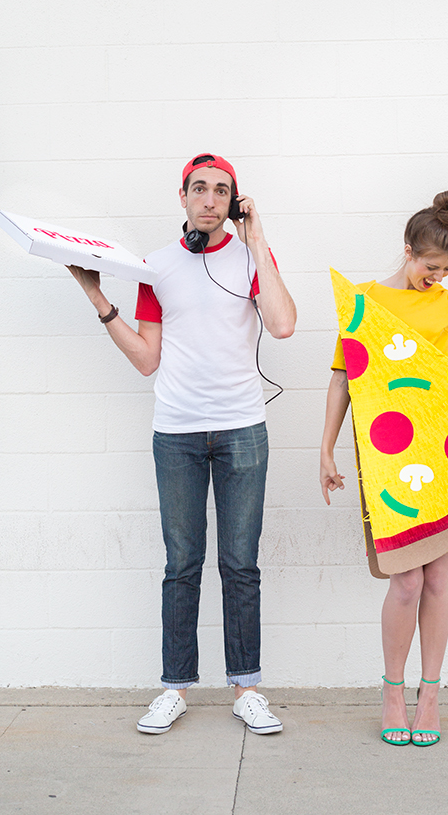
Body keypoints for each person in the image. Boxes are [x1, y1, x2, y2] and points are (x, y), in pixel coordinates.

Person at [68, 153, 296, 735]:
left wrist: (258, 236)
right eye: (201, 189)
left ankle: (247, 687)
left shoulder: (250, 259)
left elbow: (285, 323)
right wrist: (100, 300)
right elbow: (148, 358)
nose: (211, 199)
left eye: (223, 191)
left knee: (240, 564)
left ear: (233, 201)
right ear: (184, 196)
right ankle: (175, 687)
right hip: (177, 433)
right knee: (182, 564)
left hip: (243, 427)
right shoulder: (157, 267)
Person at [319, 149, 448, 747]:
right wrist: (325, 451)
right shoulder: (364, 305)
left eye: (447, 269)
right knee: (403, 582)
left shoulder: (447, 304)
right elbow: (341, 380)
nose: (439, 278)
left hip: (447, 454)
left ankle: (430, 697)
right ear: (408, 251)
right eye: (431, 266)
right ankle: (393, 691)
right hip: (389, 458)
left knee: (438, 581)